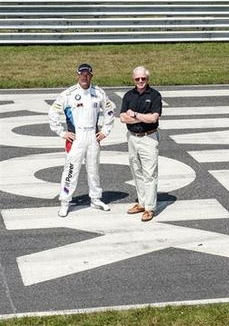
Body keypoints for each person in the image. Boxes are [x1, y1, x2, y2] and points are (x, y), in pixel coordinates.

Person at [48, 63, 115, 217]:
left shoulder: (99, 93)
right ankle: (65, 201)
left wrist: (105, 131)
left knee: (94, 170)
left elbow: (110, 111)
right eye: (81, 74)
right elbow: (52, 113)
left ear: (91, 75)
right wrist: (62, 132)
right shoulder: (68, 94)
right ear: (77, 75)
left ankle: (96, 199)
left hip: (93, 136)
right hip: (75, 138)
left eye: (87, 74)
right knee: (71, 170)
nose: (84, 76)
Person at [120, 66, 162, 222]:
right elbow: (123, 118)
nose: (140, 81)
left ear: (147, 79)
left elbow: (153, 119)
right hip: (132, 137)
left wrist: (136, 115)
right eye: (137, 79)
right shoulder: (128, 95)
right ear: (133, 79)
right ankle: (142, 202)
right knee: (136, 170)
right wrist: (143, 117)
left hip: (148, 137)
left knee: (150, 174)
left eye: (143, 78)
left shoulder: (155, 95)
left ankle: (150, 208)